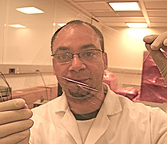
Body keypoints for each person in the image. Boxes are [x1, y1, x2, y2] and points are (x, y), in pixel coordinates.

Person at [0, 20, 167, 144]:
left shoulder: (153, 123)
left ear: (104, 61)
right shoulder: (31, 125)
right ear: (54, 66)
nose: (76, 65)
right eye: (64, 56)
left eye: (88, 53)